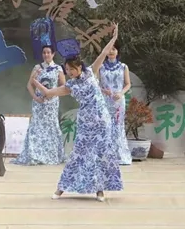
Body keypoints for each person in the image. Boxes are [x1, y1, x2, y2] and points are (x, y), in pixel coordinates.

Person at [33, 23, 123, 202]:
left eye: (71, 69)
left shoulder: (91, 73)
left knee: (101, 154)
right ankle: (61, 188)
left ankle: (99, 190)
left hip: (102, 121)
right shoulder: (70, 85)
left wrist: (114, 37)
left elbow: (104, 52)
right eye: (66, 70)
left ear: (79, 67)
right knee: (78, 154)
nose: (69, 72)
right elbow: (49, 93)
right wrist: (35, 82)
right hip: (85, 123)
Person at [12, 45, 66, 165]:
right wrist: (36, 98)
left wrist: (53, 94)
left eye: (48, 52)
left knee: (51, 126)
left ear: (53, 54)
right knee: (37, 126)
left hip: (51, 103)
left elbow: (64, 86)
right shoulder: (37, 67)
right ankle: (35, 154)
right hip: (38, 103)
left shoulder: (58, 68)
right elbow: (29, 85)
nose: (46, 55)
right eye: (44, 53)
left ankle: (51, 154)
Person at [98, 44, 133, 165]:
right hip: (105, 100)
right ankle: (105, 156)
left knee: (118, 126)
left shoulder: (123, 67)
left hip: (118, 101)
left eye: (114, 49)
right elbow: (95, 84)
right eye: (109, 49)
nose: (111, 51)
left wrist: (121, 93)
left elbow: (128, 84)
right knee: (105, 125)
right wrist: (103, 91)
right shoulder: (101, 67)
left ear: (118, 51)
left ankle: (119, 155)